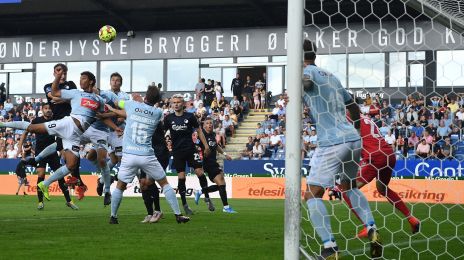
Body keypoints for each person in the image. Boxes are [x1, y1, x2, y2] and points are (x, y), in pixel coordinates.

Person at [301, 39, 381, 259]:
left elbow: (307, 82)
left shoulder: (306, 73)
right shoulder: (331, 76)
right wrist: (355, 130)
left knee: (312, 194)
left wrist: (301, 80)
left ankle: (330, 248)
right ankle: (372, 228)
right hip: (353, 139)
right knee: (349, 186)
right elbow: (353, 105)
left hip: (332, 142)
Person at [0, 69, 114, 202]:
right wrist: (58, 77)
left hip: (74, 136)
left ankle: (45, 184)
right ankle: (2, 124)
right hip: (67, 124)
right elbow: (54, 92)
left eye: (83, 78)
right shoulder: (76, 93)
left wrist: (116, 126)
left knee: (71, 165)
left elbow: (105, 115)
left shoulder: (99, 100)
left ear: (91, 81)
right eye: (80, 78)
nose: (80, 80)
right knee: (32, 128)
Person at [106, 86, 189, 224]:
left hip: (129, 155)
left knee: (120, 185)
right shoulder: (158, 112)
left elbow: (117, 103)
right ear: (157, 100)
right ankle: (178, 215)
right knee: (164, 184)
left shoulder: (131, 105)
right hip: (146, 155)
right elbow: (144, 110)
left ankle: (113, 217)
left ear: (145, 97)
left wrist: (121, 105)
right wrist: (139, 102)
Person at [336, 115, 420, 238]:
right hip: (388, 154)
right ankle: (411, 218)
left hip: (374, 156)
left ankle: (368, 227)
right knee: (382, 189)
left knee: (346, 190)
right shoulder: (365, 118)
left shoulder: (347, 117)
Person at [18, 103, 78, 210]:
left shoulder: (56, 120)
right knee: (40, 174)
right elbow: (26, 132)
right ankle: (40, 202)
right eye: (46, 108)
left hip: (52, 152)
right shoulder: (36, 121)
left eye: (49, 108)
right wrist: (19, 146)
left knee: (60, 176)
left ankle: (68, 201)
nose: (48, 110)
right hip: (40, 152)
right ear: (42, 110)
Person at [164, 94, 213, 215]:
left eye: (178, 102)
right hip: (177, 152)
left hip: (191, 150)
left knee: (200, 172)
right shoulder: (168, 118)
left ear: (183, 104)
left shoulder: (190, 116)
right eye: (174, 102)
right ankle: (185, 205)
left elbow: (199, 131)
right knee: (181, 177)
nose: (176, 104)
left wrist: (206, 146)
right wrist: (166, 143)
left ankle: (207, 197)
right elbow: (165, 133)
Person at [43, 63, 87, 199]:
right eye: (58, 71)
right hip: (59, 125)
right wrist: (65, 99)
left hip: (72, 122)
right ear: (54, 72)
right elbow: (52, 97)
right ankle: (77, 181)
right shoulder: (48, 85)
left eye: (64, 72)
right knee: (64, 154)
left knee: (72, 152)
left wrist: (62, 100)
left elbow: (74, 100)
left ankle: (77, 181)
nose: (62, 74)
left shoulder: (71, 84)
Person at [82, 86, 119, 206]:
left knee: (108, 159)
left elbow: (120, 112)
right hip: (92, 130)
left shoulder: (110, 96)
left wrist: (109, 115)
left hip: (108, 132)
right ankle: (103, 178)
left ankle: (106, 189)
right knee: (90, 156)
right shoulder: (88, 100)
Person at [194, 118, 236, 213]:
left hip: (214, 161)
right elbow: (195, 147)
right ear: (203, 126)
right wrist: (199, 157)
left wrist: (225, 154)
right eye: (207, 123)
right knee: (221, 183)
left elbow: (216, 146)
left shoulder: (212, 134)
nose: (210, 125)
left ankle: (201, 191)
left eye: (211, 123)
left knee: (222, 185)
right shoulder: (201, 136)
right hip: (207, 162)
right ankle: (226, 207)